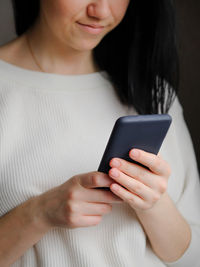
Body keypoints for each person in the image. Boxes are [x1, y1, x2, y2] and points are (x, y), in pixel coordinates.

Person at [0, 0, 199, 266]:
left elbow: (192, 256)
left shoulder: (153, 94)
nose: (101, 12)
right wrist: (39, 214)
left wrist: (154, 205)